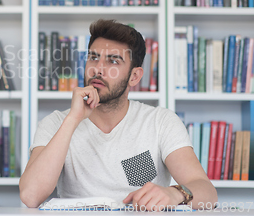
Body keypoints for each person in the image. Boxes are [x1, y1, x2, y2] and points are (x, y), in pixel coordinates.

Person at [19, 19, 218, 211]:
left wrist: (176, 194)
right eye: (93, 58)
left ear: (134, 76)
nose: (98, 69)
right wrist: (72, 120)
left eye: (113, 61)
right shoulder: (55, 123)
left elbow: (206, 191)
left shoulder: (161, 122)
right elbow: (30, 196)